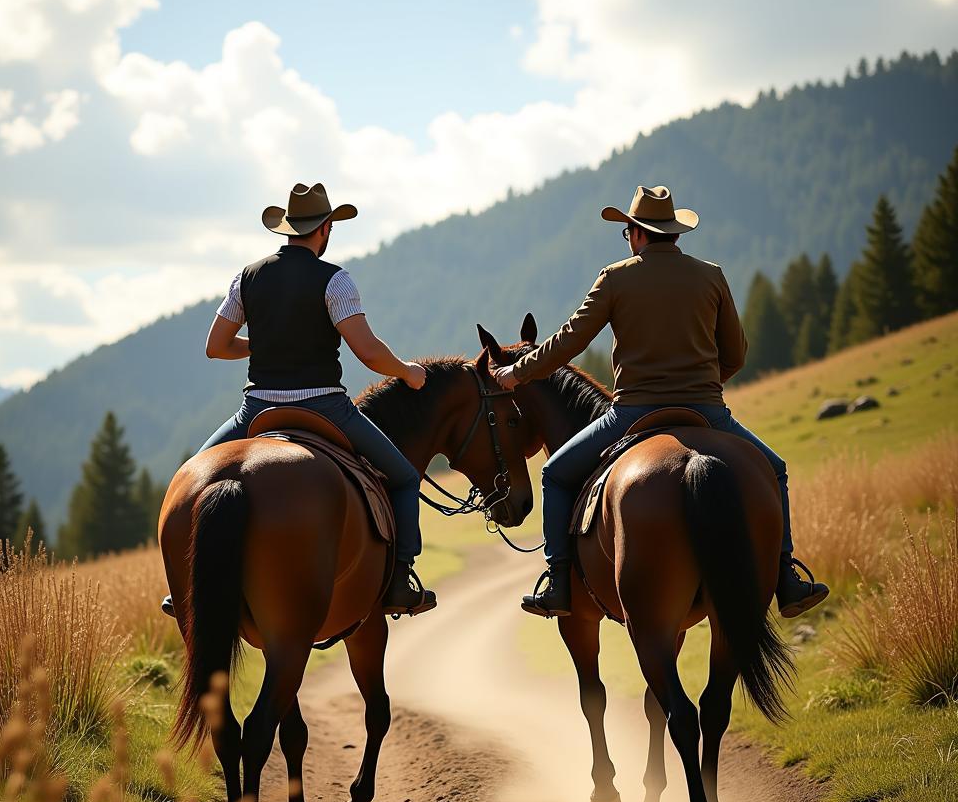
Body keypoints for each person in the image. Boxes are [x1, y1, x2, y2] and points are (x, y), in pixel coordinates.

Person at [491, 184, 829, 620]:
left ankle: (557, 583)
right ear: (672, 232)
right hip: (708, 411)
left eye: (628, 232)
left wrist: (516, 373)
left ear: (636, 233)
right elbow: (737, 354)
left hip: (632, 412)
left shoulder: (615, 277)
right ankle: (786, 576)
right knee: (775, 470)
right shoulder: (712, 275)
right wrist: (704, 385)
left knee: (555, 474)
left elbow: (568, 342)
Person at [163, 182, 434, 617]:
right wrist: (407, 372)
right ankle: (400, 580)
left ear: (287, 230)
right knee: (402, 477)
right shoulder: (335, 280)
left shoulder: (246, 277)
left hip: (256, 411)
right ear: (325, 229)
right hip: (325, 407)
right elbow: (366, 350)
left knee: (187, 485)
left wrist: (265, 342)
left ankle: (180, 590)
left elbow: (216, 345)